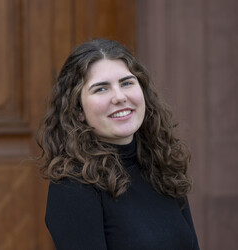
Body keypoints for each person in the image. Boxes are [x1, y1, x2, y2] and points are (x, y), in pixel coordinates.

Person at [37, 38, 199, 250]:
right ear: (78, 111)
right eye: (101, 89)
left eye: (126, 83)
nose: (119, 97)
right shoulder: (73, 187)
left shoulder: (162, 166)